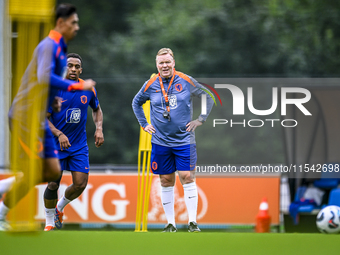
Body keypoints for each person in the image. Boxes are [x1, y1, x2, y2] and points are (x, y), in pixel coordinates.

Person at [0, 3, 96, 231]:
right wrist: (73, 87)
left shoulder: (60, 50)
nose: (77, 27)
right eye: (73, 22)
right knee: (40, 171)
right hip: (25, 116)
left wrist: (53, 99)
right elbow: (43, 77)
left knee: (51, 172)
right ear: (61, 23)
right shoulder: (49, 46)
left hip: (38, 117)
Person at [132, 48, 214, 232]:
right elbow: (136, 102)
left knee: (187, 176)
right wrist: (144, 124)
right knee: (166, 180)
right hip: (160, 141)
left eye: (167, 62)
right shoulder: (151, 84)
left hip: (185, 140)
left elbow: (207, 96)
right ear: (157, 65)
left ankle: (193, 223)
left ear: (173, 63)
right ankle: (170, 224)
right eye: (161, 63)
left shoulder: (185, 80)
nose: (164, 65)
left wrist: (200, 119)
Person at [43, 53, 104, 231]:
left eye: (77, 67)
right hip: (55, 144)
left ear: (81, 70)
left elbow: (97, 109)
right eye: (70, 66)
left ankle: (59, 209)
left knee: (80, 184)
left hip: (78, 145)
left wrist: (99, 128)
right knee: (53, 183)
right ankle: (48, 223)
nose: (74, 69)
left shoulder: (88, 89)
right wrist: (59, 134)